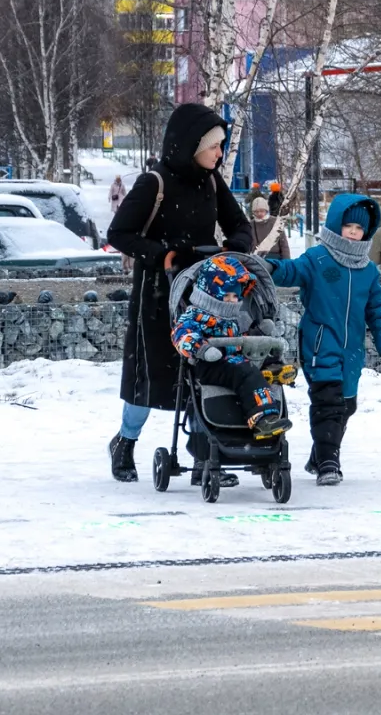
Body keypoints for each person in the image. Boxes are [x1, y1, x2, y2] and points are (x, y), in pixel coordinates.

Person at [103, 103, 254, 482]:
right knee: (149, 373)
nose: (220, 154)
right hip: (157, 292)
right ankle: (126, 441)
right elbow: (118, 233)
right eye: (214, 146)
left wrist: (233, 250)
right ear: (192, 146)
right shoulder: (154, 183)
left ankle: (205, 451)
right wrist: (162, 254)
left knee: (205, 365)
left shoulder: (212, 182)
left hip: (202, 289)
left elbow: (240, 225)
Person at [267, 193, 381, 486]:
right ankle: (329, 463)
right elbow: (292, 271)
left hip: (352, 351)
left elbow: (377, 313)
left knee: (346, 405)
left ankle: (319, 455)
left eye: (359, 229)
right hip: (320, 342)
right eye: (349, 227)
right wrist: (271, 268)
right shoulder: (318, 258)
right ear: (336, 225)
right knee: (328, 402)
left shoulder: (368, 271)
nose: (354, 234)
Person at [171, 253, 291, 438]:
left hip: (234, 359)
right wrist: (202, 348)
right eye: (226, 295)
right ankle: (263, 418)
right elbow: (181, 334)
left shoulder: (233, 318)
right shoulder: (195, 314)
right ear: (210, 292)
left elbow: (238, 338)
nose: (232, 301)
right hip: (209, 365)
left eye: (236, 296)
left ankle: (272, 369)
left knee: (254, 360)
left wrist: (257, 334)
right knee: (245, 372)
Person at [248, 193, 290, 260]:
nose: (259, 213)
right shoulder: (251, 225)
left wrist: (286, 261)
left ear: (266, 210)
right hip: (258, 258)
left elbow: (283, 243)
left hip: (275, 257)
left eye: (261, 211)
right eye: (256, 211)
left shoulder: (275, 222)